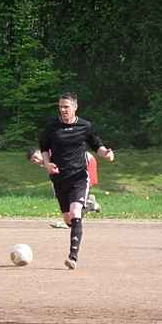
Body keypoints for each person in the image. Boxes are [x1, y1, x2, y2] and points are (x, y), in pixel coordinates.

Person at [39, 92, 114, 270]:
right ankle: (88, 205)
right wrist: (47, 163)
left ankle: (73, 257)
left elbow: (97, 145)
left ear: (75, 107)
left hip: (79, 176)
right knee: (67, 219)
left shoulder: (85, 126)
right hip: (59, 178)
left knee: (75, 213)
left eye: (66, 107)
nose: (63, 110)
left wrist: (106, 153)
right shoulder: (52, 127)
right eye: (60, 107)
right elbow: (43, 147)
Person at [27, 148, 102, 219]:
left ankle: (87, 208)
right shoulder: (46, 161)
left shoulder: (51, 154)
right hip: (75, 167)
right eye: (33, 161)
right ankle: (86, 206)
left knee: (78, 191)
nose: (36, 161)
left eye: (36, 157)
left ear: (40, 152)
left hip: (84, 162)